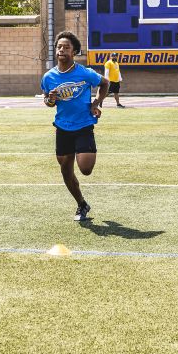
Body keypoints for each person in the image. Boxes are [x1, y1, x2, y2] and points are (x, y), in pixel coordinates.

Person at [42, 31, 109, 221]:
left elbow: (105, 83)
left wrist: (96, 103)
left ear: (74, 52)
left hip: (83, 125)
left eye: (66, 47)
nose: (62, 49)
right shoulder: (48, 77)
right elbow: (48, 101)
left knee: (86, 169)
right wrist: (50, 99)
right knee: (65, 169)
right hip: (62, 127)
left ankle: (82, 199)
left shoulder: (84, 72)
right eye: (59, 47)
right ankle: (82, 204)